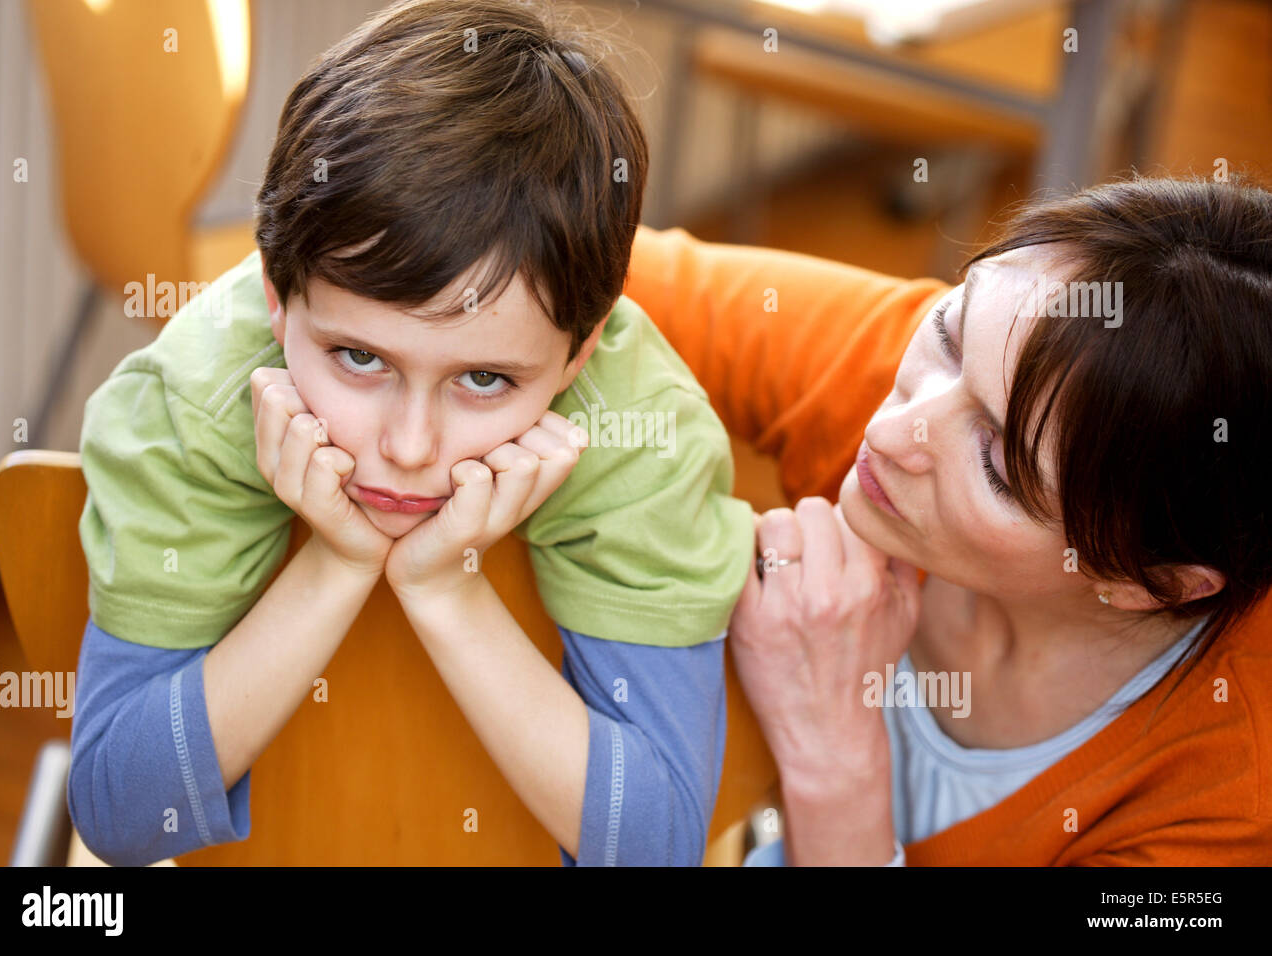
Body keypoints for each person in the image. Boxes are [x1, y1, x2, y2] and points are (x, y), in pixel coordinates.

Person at [68, 0, 753, 867]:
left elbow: (655, 849)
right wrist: (335, 564)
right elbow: (117, 813)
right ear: (276, 300)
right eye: (358, 357)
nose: (410, 446)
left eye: (484, 379)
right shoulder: (193, 409)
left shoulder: (644, 440)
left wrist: (448, 591)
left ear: (583, 351)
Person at [621, 174, 1272, 864]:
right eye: (947, 333)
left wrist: (834, 760)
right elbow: (560, 262)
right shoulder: (965, 370)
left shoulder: (1234, 793)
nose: (894, 430)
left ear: (1157, 584)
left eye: (995, 465)